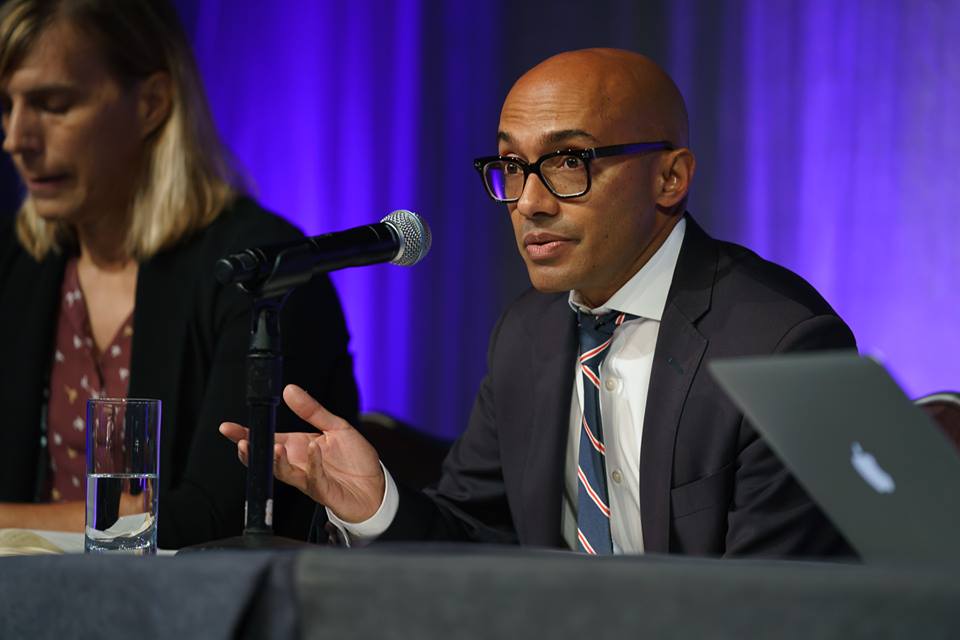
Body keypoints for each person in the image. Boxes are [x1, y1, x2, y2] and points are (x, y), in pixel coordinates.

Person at [222, 49, 855, 557]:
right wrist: (376, 505)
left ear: (670, 177)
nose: (529, 202)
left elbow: (774, 602)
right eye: (512, 165)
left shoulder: (778, 343)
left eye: (568, 162)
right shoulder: (528, 331)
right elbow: (475, 537)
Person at [0, 0, 359, 549]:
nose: (16, 138)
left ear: (151, 103)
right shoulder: (16, 264)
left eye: (53, 105)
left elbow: (211, 518)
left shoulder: (263, 270)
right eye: (7, 106)